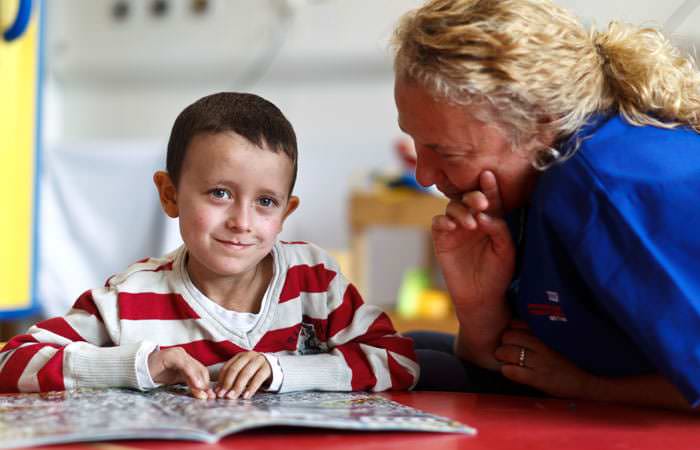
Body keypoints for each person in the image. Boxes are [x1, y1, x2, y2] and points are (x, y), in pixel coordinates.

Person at [0, 92, 419, 399]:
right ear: (169, 194)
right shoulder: (129, 297)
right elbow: (11, 362)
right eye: (219, 193)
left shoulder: (315, 280)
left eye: (265, 202)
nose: (241, 221)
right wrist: (141, 364)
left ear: (286, 213)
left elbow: (399, 362)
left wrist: (283, 370)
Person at [392, 0, 700, 410]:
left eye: (445, 152)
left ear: (537, 122)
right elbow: (490, 356)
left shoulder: (606, 189)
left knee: (416, 377)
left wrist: (585, 388)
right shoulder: (537, 172)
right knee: (411, 350)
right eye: (415, 141)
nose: (425, 175)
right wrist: (478, 303)